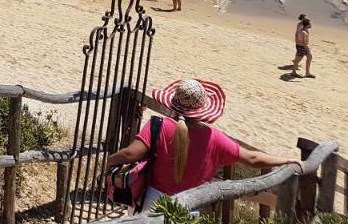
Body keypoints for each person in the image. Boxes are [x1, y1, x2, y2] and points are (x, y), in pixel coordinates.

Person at [106, 78, 302, 213]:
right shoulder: (214, 138)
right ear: (202, 109)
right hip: (191, 207)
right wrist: (286, 160)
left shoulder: (159, 126)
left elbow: (131, 154)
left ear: (173, 104)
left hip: (152, 201)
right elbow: (252, 158)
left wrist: (109, 161)